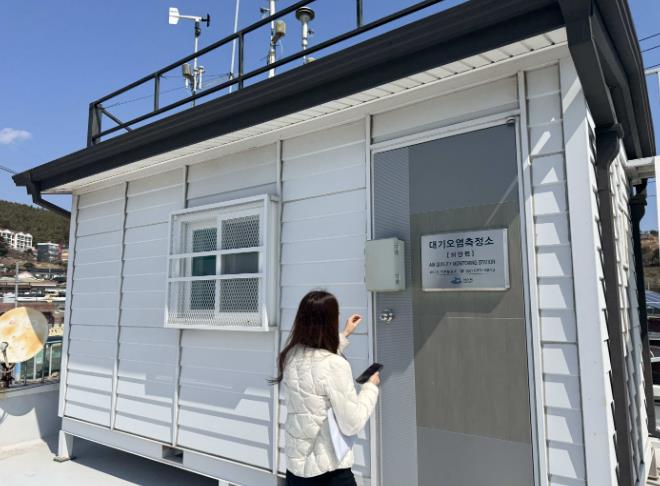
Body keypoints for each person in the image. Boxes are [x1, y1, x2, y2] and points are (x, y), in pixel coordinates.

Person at [270, 290, 380, 486]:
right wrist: (370, 388)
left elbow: (316, 365)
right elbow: (352, 423)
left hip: (296, 472)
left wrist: (345, 334)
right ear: (329, 322)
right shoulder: (336, 365)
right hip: (329, 473)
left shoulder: (291, 356)